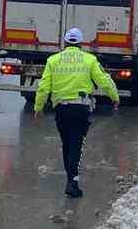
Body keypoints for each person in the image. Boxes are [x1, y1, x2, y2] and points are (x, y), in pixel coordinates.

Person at [33, 28, 120, 197]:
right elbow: (104, 80)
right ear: (81, 44)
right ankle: (72, 182)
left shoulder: (53, 60)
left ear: (65, 42)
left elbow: (43, 87)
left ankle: (70, 179)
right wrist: (114, 97)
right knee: (76, 145)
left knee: (67, 144)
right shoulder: (90, 60)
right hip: (81, 109)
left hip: (61, 110)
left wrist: (39, 108)